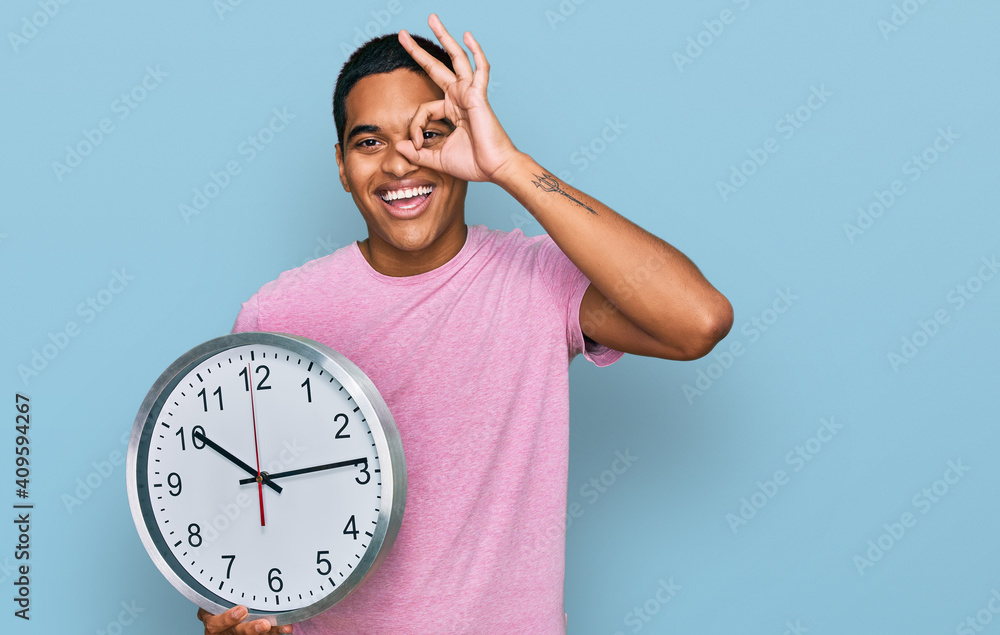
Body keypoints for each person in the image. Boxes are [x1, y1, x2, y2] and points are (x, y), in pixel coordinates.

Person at [198, 13, 732, 635]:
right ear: (342, 166)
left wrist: (508, 165)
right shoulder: (278, 315)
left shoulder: (538, 278)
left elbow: (698, 320)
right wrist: (223, 614)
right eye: (370, 143)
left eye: (428, 134)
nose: (400, 164)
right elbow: (232, 522)